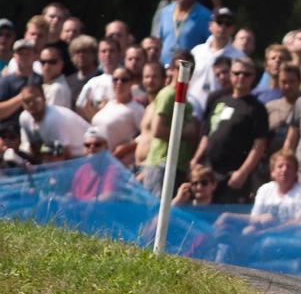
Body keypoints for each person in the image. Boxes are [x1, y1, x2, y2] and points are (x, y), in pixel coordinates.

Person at [192, 57, 269, 203]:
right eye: (237, 73)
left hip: (232, 175)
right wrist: (196, 159)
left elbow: (259, 144)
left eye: (246, 74)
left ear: (253, 78)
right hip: (208, 174)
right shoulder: (219, 101)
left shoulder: (256, 108)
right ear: (231, 75)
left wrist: (243, 173)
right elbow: (207, 134)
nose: (241, 77)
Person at [140, 52, 198, 198]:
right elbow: (158, 130)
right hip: (162, 162)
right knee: (156, 213)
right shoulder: (168, 95)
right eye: (180, 67)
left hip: (178, 164)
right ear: (171, 69)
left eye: (189, 68)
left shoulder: (188, 102)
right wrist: (187, 132)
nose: (184, 72)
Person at [189, 7, 246, 110]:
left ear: (233, 29)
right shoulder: (196, 52)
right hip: (193, 109)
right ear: (210, 25)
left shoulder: (239, 57)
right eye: (219, 22)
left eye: (228, 23)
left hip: (221, 110)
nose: (223, 27)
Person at [89, 67, 145, 167]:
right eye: (115, 79)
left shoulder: (136, 109)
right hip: (99, 162)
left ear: (131, 83)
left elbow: (146, 135)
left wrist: (127, 147)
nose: (119, 83)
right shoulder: (108, 104)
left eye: (124, 80)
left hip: (120, 164)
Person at [18, 83, 90, 160]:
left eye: (36, 99)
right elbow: (34, 148)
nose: (31, 104)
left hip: (82, 157)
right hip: (55, 158)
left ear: (44, 98)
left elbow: (66, 156)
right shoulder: (24, 118)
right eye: (27, 101)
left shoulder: (54, 120)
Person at [155, 0, 213, 67]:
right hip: (165, 66)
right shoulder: (165, 12)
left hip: (189, 68)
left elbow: (210, 44)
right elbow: (159, 39)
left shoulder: (205, 15)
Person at [66, 128, 124, 200]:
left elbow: (108, 197)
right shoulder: (82, 169)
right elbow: (72, 194)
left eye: (97, 144)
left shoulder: (113, 169)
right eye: (87, 145)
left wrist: (83, 203)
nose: (92, 148)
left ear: (106, 147)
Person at [75, 35, 123, 121]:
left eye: (112, 51)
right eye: (104, 51)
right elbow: (80, 108)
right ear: (98, 55)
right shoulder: (92, 83)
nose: (108, 55)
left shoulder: (126, 80)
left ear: (119, 54)